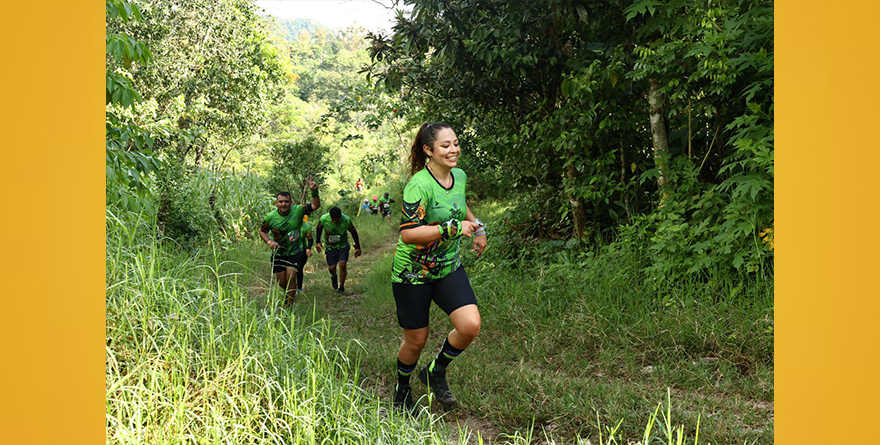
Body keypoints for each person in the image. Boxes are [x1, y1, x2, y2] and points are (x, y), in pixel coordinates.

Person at [390, 122, 487, 412]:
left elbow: (460, 204)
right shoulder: (419, 185)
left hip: (447, 267)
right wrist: (454, 229)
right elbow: (409, 233)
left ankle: (434, 371)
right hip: (413, 274)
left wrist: (478, 227)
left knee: (470, 326)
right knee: (416, 340)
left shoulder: (459, 175)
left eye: (455, 143)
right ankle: (401, 389)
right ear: (428, 150)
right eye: (445, 145)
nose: (454, 149)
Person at [259, 179, 321, 306]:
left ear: (291, 203)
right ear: (276, 203)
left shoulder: (298, 210)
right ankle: (289, 294)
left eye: (286, 202)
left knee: (291, 277)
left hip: (295, 252)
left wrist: (314, 191)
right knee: (282, 282)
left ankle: (289, 304)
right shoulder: (270, 217)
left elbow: (315, 206)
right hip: (279, 253)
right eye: (280, 202)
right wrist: (269, 242)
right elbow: (262, 231)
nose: (283, 204)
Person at [315, 206, 362, 294]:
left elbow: (354, 232)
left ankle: (342, 287)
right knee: (331, 268)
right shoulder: (324, 219)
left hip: (343, 246)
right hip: (330, 247)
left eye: (336, 220)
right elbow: (319, 228)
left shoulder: (346, 220)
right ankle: (334, 276)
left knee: (342, 265)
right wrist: (318, 242)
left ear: (340, 217)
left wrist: (358, 247)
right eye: (332, 219)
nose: (334, 221)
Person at [295, 217, 314, 292]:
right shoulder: (287, 224)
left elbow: (310, 239)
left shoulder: (305, 226)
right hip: (289, 251)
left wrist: (308, 248)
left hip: (302, 252)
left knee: (299, 269)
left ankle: (299, 288)